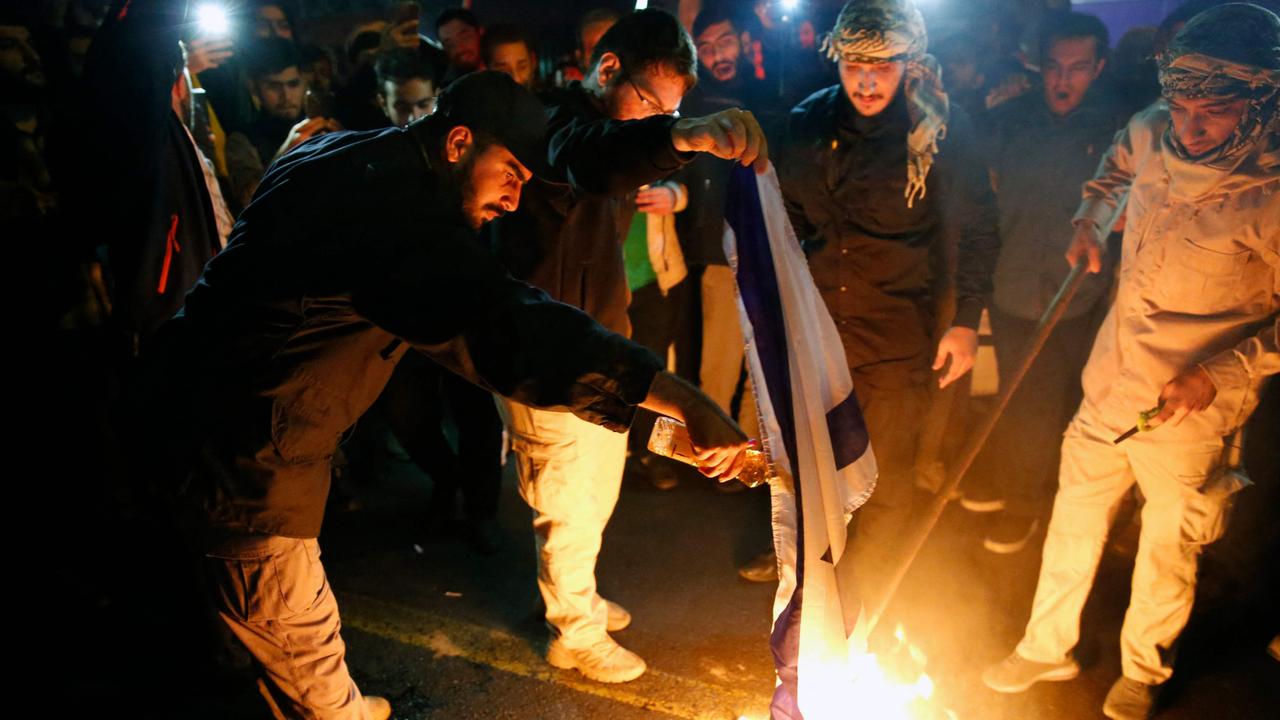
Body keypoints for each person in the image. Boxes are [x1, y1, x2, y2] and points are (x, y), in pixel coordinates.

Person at [145, 70, 752, 720]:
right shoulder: (393, 215)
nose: (516, 201)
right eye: (512, 174)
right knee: (292, 647)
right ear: (460, 142)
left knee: (244, 632)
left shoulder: (355, 155)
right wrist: (679, 398)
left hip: (192, 417)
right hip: (241, 462)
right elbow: (503, 325)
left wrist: (680, 137)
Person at [982, 6, 1280, 719]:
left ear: (1260, 97)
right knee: (1074, 516)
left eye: (1212, 110)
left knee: (1166, 547)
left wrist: (1219, 374)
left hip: (1190, 410)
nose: (1190, 125)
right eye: (1181, 105)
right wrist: (1091, 222)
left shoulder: (1270, 193)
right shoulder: (1153, 129)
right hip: (1112, 379)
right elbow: (1115, 167)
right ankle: (1045, 647)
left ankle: (1143, 668)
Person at [491, 8, 769, 683]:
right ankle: (573, 632)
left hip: (599, 346)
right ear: (607, 69)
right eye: (649, 103)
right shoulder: (552, 123)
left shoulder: (615, 133)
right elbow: (592, 158)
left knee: (595, 488)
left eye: (669, 110)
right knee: (564, 500)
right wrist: (683, 136)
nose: (654, 121)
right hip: (544, 355)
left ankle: (577, 594)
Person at [776, 0, 999, 610]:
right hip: (817, 333)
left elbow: (979, 229)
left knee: (887, 475)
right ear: (837, 61)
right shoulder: (804, 122)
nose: (867, 81)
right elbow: (785, 219)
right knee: (813, 468)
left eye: (884, 66)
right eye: (853, 64)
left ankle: (860, 602)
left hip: (897, 334)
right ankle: (811, 584)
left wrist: (964, 322)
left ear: (911, 63)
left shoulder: (938, 131)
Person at [962, 11, 1126, 554]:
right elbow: (974, 174)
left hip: (1076, 297)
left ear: (1098, 68)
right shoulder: (1012, 118)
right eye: (1055, 67)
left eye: (1078, 68)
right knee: (1013, 395)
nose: (1064, 80)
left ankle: (1027, 504)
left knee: (1047, 404)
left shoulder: (1117, 133)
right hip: (1011, 285)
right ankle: (1009, 482)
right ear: (1037, 66)